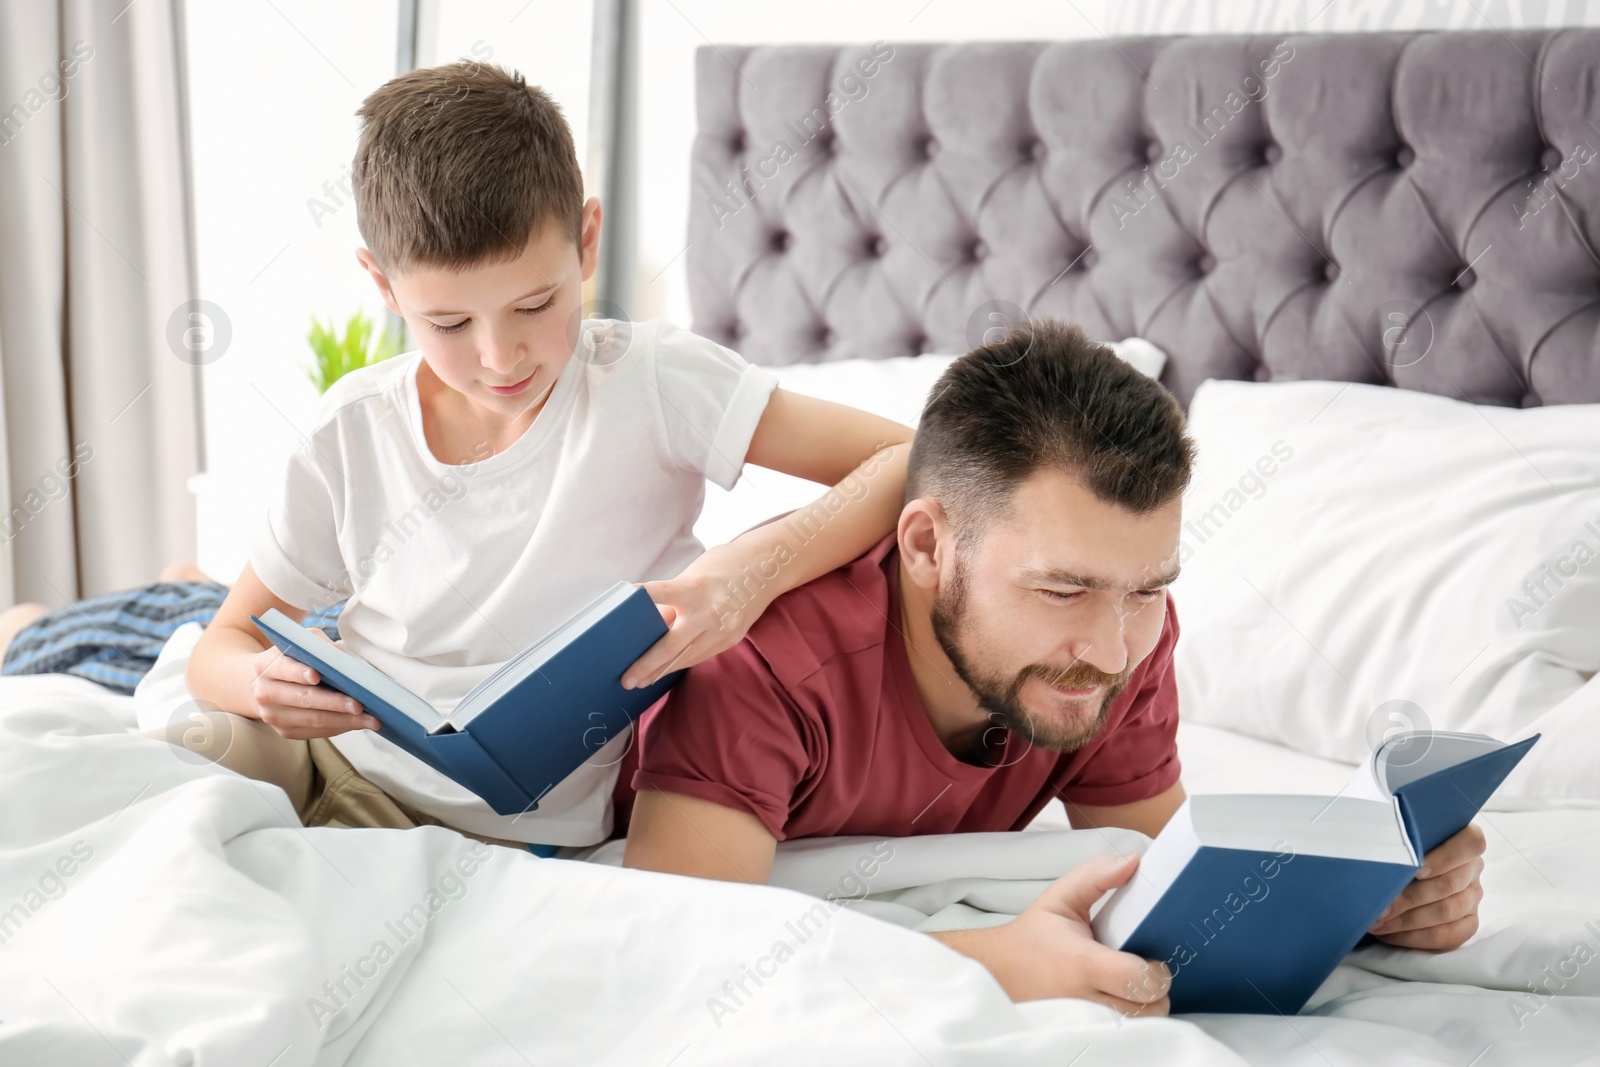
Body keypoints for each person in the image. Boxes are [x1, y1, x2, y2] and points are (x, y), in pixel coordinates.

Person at [621, 320, 1488, 1010]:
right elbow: (688, 957)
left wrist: (1367, 907)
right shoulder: (763, 667)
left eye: (1146, 587)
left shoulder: (1123, 638)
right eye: (1062, 588)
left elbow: (1167, 873)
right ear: (926, 543)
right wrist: (992, 962)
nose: (1112, 653)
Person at [172, 59, 915, 855]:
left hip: (550, 820)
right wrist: (257, 685)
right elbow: (223, 643)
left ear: (587, 241)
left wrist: (748, 571)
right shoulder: (350, 432)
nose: (500, 357)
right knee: (178, 796)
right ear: (383, 286)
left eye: (535, 304)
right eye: (449, 324)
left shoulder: (654, 381)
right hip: (351, 770)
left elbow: (909, 458)